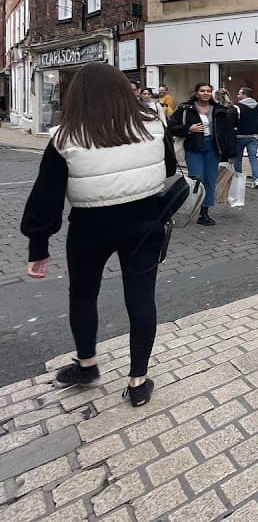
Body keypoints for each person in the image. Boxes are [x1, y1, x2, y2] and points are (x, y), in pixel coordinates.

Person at [21, 62, 175, 407]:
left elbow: (47, 196)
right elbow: (169, 169)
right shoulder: (153, 125)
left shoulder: (64, 138)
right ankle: (137, 382)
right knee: (140, 300)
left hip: (90, 229)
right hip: (144, 223)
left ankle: (87, 365)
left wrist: (38, 246)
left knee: (83, 295)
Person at [168, 83, 235, 225]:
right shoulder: (185, 108)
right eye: (202, 90)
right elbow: (172, 127)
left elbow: (227, 133)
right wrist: (188, 128)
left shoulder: (219, 110)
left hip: (213, 147)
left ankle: (204, 213)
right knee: (196, 180)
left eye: (208, 91)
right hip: (194, 147)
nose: (205, 93)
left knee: (210, 180)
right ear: (196, 93)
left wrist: (231, 153)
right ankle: (187, 208)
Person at [234, 87, 258, 188]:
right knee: (253, 158)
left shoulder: (237, 107)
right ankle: (256, 180)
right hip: (254, 136)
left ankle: (237, 179)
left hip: (240, 136)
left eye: (239, 94)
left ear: (245, 95)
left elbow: (235, 121)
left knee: (238, 159)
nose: (238, 96)